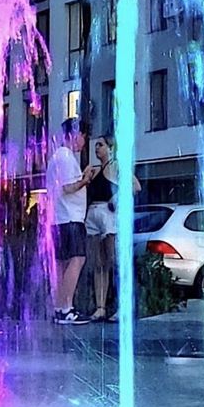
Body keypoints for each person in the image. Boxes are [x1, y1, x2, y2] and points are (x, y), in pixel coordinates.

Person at [86, 135, 141, 322]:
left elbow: (136, 186)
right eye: (96, 145)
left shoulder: (116, 166)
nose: (97, 149)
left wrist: (116, 198)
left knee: (114, 260)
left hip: (108, 214)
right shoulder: (95, 170)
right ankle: (100, 307)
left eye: (101, 145)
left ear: (110, 148)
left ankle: (123, 306)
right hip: (93, 214)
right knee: (98, 263)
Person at [46, 118, 93, 324]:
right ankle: (65, 307)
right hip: (70, 217)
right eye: (84, 136)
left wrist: (82, 178)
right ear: (76, 134)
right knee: (77, 259)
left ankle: (60, 308)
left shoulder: (57, 157)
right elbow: (67, 188)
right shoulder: (65, 156)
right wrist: (85, 180)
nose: (84, 142)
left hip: (60, 218)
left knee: (63, 263)